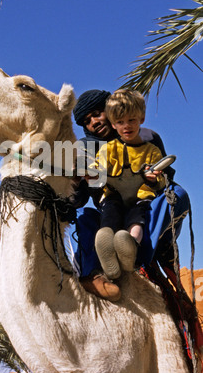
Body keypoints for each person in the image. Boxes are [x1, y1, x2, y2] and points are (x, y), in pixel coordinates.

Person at [68, 88, 190, 301]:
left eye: (97, 113)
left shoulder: (148, 138)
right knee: (84, 217)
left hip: (145, 210)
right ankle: (94, 276)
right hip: (110, 213)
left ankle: (137, 254)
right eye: (87, 121)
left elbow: (165, 180)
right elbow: (78, 199)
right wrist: (77, 182)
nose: (94, 122)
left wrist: (152, 177)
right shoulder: (85, 149)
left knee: (176, 193)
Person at [88, 89, 165, 281]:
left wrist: (154, 178)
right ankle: (107, 247)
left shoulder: (152, 150)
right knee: (110, 211)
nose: (127, 126)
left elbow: (162, 179)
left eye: (132, 120)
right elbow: (97, 170)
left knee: (138, 217)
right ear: (113, 124)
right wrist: (92, 175)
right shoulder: (108, 149)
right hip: (114, 195)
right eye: (120, 122)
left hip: (140, 196)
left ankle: (129, 247)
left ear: (142, 118)